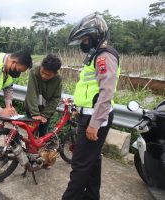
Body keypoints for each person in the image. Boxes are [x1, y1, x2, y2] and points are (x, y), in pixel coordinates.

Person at [62, 13, 121, 200]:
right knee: (92, 160)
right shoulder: (96, 55)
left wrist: (94, 124)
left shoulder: (104, 57)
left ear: (96, 35)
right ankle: (91, 196)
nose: (83, 43)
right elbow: (89, 88)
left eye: (85, 38)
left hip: (95, 117)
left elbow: (106, 93)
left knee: (80, 164)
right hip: (89, 114)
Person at [24, 54, 62, 137]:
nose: (44, 76)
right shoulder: (34, 72)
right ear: (41, 67)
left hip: (46, 111)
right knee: (32, 135)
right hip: (32, 110)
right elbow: (32, 92)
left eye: (48, 75)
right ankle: (30, 149)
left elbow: (55, 98)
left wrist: (45, 115)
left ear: (55, 74)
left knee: (43, 135)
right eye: (42, 72)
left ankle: (40, 149)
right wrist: (35, 114)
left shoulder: (58, 79)